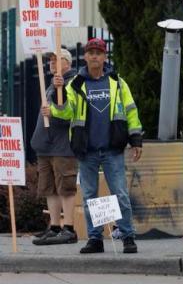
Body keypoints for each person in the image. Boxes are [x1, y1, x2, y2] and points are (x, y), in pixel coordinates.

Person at [43, 38, 143, 254]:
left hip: (112, 149)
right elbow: (64, 113)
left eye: (99, 52)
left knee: (121, 194)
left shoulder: (117, 82)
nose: (95, 56)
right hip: (86, 150)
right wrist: (58, 97)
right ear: (85, 56)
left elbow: (131, 111)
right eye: (91, 52)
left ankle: (128, 236)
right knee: (89, 196)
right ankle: (95, 239)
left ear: (105, 56)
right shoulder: (76, 83)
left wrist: (136, 140)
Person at [30, 49, 78, 245]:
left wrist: (56, 109)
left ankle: (69, 228)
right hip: (46, 146)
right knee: (50, 188)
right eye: (49, 60)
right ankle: (55, 226)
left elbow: (72, 111)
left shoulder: (72, 83)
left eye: (56, 59)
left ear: (66, 62)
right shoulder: (51, 85)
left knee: (65, 187)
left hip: (62, 146)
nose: (51, 62)